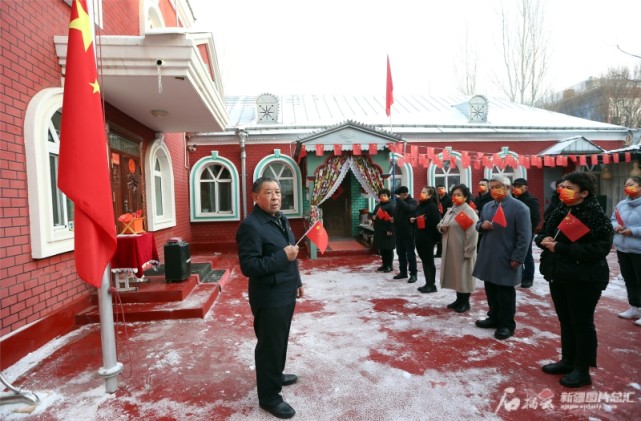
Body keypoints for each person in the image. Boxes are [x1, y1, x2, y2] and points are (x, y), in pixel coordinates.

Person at [535, 172, 613, 388]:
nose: (563, 190)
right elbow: (542, 234)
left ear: (584, 192)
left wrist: (561, 248)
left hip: (584, 278)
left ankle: (582, 369)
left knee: (582, 323)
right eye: (562, 187)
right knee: (566, 320)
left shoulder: (595, 215)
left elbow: (600, 249)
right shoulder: (560, 210)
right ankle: (567, 360)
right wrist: (544, 240)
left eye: (569, 187)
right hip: (559, 274)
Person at [236, 176, 303, 419]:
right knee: (269, 345)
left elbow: (291, 253)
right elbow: (249, 266)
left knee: (280, 339)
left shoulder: (280, 219)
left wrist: (297, 281)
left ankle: (275, 374)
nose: (275, 197)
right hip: (268, 296)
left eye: (277, 192)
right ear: (255, 197)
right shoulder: (251, 226)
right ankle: (269, 396)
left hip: (285, 291)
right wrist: (282, 258)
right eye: (268, 192)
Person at [473, 175, 531, 340]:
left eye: (497, 186)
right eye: (492, 187)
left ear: (508, 188)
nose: (493, 190)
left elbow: (524, 237)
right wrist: (481, 226)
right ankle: (494, 317)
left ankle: (506, 324)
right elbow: (479, 224)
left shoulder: (520, 208)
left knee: (505, 292)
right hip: (488, 254)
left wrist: (518, 258)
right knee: (490, 289)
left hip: (506, 256)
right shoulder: (488, 206)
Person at [437, 184, 479, 312]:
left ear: (465, 197)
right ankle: (458, 299)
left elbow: (472, 234)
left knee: (464, 277)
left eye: (459, 195)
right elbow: (441, 222)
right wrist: (441, 227)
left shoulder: (467, 212)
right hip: (451, 249)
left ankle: (465, 302)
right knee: (456, 276)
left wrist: (468, 251)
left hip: (462, 250)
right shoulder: (451, 210)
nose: (455, 197)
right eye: (454, 195)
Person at [611, 176, 641, 325]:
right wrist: (616, 226)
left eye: (631, 184)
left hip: (639, 249)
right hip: (623, 247)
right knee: (629, 279)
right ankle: (634, 307)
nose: (627, 187)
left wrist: (633, 231)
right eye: (626, 185)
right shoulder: (622, 204)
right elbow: (613, 219)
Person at [411, 186, 441, 293]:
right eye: (421, 191)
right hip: (419, 237)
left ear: (430, 195)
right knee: (424, 261)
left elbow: (437, 222)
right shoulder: (420, 206)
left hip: (428, 238)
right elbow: (418, 217)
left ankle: (431, 284)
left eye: (424, 192)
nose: (421, 194)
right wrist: (414, 220)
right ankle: (427, 283)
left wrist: (436, 239)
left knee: (429, 261)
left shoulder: (432, 207)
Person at [512, 178, 541, 288]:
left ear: (526, 187)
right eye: (514, 186)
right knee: (517, 253)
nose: (516, 189)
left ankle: (529, 277)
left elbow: (535, 218)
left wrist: (529, 230)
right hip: (514, 231)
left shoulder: (531, 200)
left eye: (519, 186)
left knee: (526, 254)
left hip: (526, 232)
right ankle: (521, 274)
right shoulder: (513, 199)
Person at [393, 186, 418, 282]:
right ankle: (403, 272)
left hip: (409, 233)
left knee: (410, 254)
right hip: (399, 232)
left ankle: (413, 274)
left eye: (398, 196)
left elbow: (408, 209)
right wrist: (394, 219)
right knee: (400, 253)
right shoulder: (400, 203)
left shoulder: (412, 202)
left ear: (404, 194)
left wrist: (399, 200)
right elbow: (397, 213)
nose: (397, 198)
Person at [371, 188, 395, 273]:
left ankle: (389, 265)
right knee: (382, 249)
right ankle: (384, 264)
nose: (382, 197)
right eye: (381, 195)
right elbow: (374, 214)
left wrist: (390, 230)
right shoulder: (378, 206)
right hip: (379, 230)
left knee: (388, 249)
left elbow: (393, 219)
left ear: (388, 196)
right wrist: (373, 217)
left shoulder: (391, 206)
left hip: (388, 230)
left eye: (385, 195)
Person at [434, 184, 452, 258]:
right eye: (439, 189)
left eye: (442, 188)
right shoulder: (436, 199)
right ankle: (439, 252)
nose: (440, 190)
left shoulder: (449, 199)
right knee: (439, 238)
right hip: (438, 219)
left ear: (445, 189)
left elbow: (450, 209)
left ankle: (446, 252)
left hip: (446, 218)